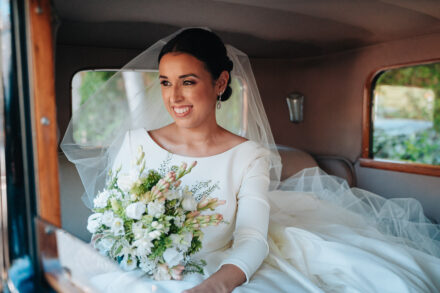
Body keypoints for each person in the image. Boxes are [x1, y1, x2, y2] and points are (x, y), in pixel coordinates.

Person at [61, 28, 440, 293]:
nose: (174, 95)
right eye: (164, 82)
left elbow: (251, 239)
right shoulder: (133, 144)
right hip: (136, 267)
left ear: (221, 83)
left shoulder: (248, 156)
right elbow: (109, 227)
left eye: (188, 81)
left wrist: (214, 286)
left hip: (220, 268)